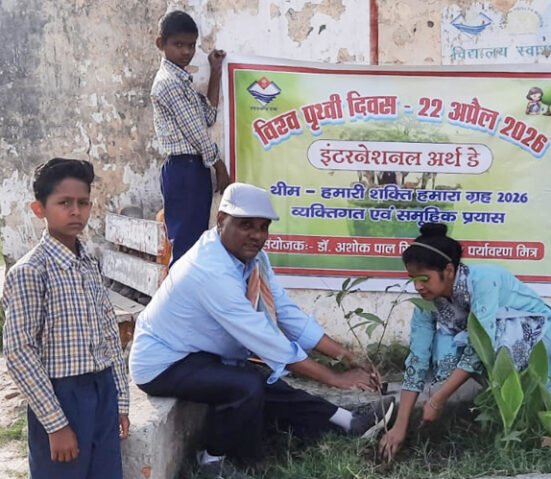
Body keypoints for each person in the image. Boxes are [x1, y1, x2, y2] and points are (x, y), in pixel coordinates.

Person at [130, 183, 392, 477]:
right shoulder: (209, 270)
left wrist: (348, 357)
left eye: (263, 227)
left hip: (197, 351)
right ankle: (212, 463)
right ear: (221, 220)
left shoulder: (251, 259)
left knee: (264, 382)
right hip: (164, 363)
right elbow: (269, 342)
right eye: (246, 225)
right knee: (247, 386)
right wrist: (335, 378)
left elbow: (286, 313)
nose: (256, 235)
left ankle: (349, 422)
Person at [378, 223, 551, 462]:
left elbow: (480, 345)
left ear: (449, 270)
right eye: (413, 279)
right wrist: (399, 426)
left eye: (424, 278)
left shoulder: (484, 280)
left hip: (534, 329)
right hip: (490, 338)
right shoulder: (426, 304)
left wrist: (437, 400)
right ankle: (496, 412)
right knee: (444, 350)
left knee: (495, 347)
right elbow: (417, 358)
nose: (418, 286)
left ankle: (538, 424)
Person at [2, 159, 130, 479]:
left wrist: (120, 400)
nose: (76, 212)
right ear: (39, 209)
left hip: (102, 391)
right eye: (64, 203)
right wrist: (56, 424)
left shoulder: (89, 263)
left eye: (83, 203)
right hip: (61, 396)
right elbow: (19, 351)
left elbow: (109, 333)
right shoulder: (31, 272)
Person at [151, 10, 231, 266]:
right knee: (186, 247)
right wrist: (219, 165)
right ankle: (179, 291)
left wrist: (215, 71)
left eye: (191, 45)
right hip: (184, 169)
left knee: (195, 242)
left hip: (192, 168)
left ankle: (185, 289)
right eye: (178, 45)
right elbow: (196, 131)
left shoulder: (182, 80)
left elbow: (207, 116)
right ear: (161, 43)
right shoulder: (169, 83)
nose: (186, 52)